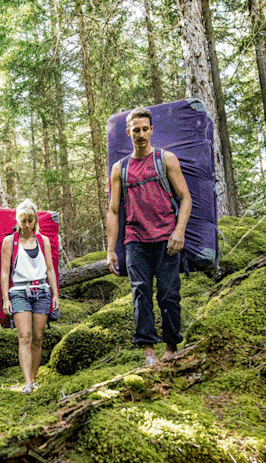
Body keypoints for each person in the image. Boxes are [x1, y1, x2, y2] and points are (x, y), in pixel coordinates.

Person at [105, 107, 192, 367]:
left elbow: (186, 198)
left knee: (168, 295)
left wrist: (179, 231)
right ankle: (148, 352)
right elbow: (113, 210)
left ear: (151, 130)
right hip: (135, 241)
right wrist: (111, 249)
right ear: (128, 132)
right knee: (140, 293)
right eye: (136, 130)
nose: (141, 134)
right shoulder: (120, 168)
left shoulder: (166, 160)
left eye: (145, 129)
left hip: (167, 240)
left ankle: (171, 347)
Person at [1, 200, 61, 393]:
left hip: (42, 291)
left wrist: (55, 294)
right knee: (24, 337)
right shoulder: (9, 241)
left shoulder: (44, 241)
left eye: (30, 221)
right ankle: (27, 383)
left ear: (35, 221)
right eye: (23, 220)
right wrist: (5, 299)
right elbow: (4, 272)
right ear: (18, 220)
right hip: (19, 292)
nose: (27, 225)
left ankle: (33, 378)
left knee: (37, 337)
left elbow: (51, 269)